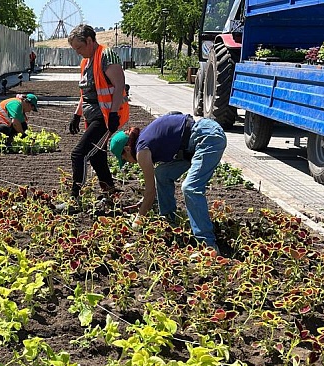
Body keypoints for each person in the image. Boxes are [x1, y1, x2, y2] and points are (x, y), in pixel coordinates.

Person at [109, 112, 227, 254]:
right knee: (162, 174)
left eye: (125, 159)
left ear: (127, 149)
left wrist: (139, 218)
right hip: (191, 145)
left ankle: (208, 246)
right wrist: (144, 201)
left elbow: (150, 192)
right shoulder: (144, 138)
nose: (129, 162)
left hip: (207, 138)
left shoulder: (141, 150)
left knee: (190, 188)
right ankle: (170, 221)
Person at [65, 24, 129, 202]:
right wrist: (77, 115)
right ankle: (110, 192)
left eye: (79, 47)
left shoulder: (106, 55)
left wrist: (114, 114)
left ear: (90, 41)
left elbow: (119, 86)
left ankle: (75, 198)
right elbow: (86, 93)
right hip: (93, 115)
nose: (77, 52)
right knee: (97, 156)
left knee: (79, 153)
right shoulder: (86, 61)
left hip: (106, 117)